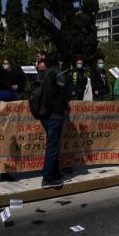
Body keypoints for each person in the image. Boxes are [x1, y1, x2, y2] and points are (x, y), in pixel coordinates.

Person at [39, 52, 70, 189]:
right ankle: (47, 177)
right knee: (53, 146)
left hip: (45, 114)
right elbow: (66, 88)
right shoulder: (56, 73)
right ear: (58, 61)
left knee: (54, 144)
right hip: (55, 114)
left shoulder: (45, 73)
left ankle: (56, 173)